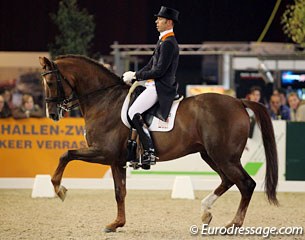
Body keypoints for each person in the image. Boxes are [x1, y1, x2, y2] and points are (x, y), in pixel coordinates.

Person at [123, 6, 180, 166]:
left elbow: (159, 70)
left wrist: (136, 75)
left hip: (160, 87)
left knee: (133, 111)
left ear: (168, 22)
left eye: (160, 19)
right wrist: (134, 75)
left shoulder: (169, 43)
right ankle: (134, 149)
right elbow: (150, 65)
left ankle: (149, 152)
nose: (156, 22)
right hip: (152, 84)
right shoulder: (162, 40)